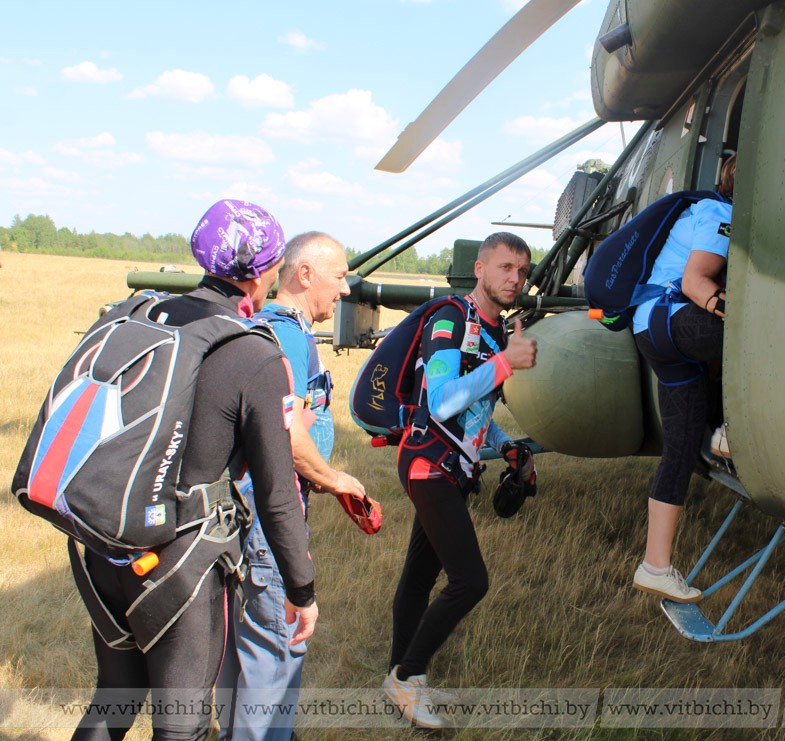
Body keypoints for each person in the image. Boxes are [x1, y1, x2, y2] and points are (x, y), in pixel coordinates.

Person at [71, 200, 318, 740]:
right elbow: (277, 493)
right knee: (182, 726)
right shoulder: (252, 352)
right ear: (259, 272)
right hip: (181, 562)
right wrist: (301, 590)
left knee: (113, 698)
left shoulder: (144, 316)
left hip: (104, 544)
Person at [382, 232, 538, 729]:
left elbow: (473, 410)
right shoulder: (452, 319)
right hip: (428, 463)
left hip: (454, 468)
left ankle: (399, 674)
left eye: (522, 271)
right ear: (480, 269)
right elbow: (442, 400)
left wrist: (506, 444)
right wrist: (505, 362)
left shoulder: (493, 331)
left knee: (420, 576)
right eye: (505, 267)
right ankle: (407, 675)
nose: (514, 278)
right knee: (470, 581)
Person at [216, 232, 368, 740]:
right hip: (269, 519)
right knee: (276, 651)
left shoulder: (264, 328)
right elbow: (287, 437)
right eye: (340, 276)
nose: (345, 290)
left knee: (245, 649)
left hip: (246, 511)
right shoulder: (287, 336)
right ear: (305, 274)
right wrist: (336, 478)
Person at [629, 155, 737, 604]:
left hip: (654, 330)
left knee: (679, 451)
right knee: (759, 330)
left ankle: (654, 566)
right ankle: (731, 432)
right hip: (671, 318)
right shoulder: (720, 212)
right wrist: (744, 314)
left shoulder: (707, 211)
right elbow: (695, 283)